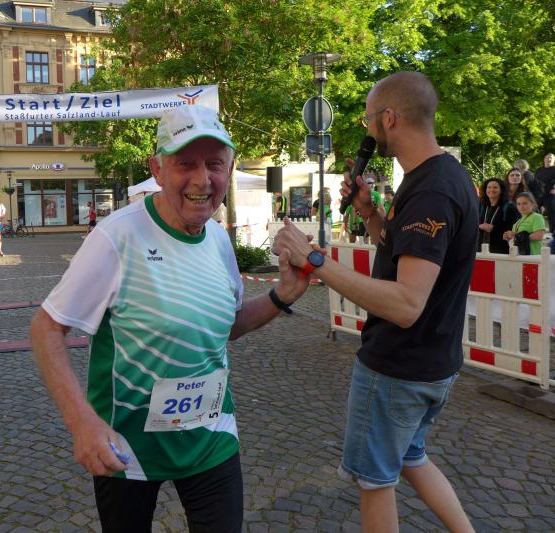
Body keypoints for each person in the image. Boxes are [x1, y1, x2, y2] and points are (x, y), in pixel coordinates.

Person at [30, 105, 310, 533]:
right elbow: (46, 328)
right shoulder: (117, 236)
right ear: (158, 170)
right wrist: (81, 422)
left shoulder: (218, 239)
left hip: (211, 436)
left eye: (214, 164)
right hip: (128, 447)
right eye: (185, 164)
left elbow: (228, 326)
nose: (202, 180)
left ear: (229, 169)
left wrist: (282, 295)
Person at [274, 71, 476, 532]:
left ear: (389, 118)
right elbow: (403, 254)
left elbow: (406, 303)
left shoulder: (431, 191)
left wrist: (315, 259)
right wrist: (369, 213)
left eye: (368, 119)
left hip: (398, 366)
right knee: (412, 455)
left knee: (375, 481)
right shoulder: (440, 177)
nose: (367, 129)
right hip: (434, 360)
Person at [478, 178, 518, 254]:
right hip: (480, 249)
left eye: (495, 187)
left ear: (501, 190)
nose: (491, 190)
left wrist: (494, 228)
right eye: (489, 187)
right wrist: (479, 226)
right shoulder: (481, 206)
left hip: (500, 251)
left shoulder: (509, 207)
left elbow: (513, 228)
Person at [534, 153, 555, 232]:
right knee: (535, 213)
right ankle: (537, 231)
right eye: (547, 157)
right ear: (544, 159)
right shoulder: (539, 170)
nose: (549, 159)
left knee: (552, 214)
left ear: (554, 160)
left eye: (551, 158)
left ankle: (553, 232)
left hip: (550, 195)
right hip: (538, 195)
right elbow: (535, 181)